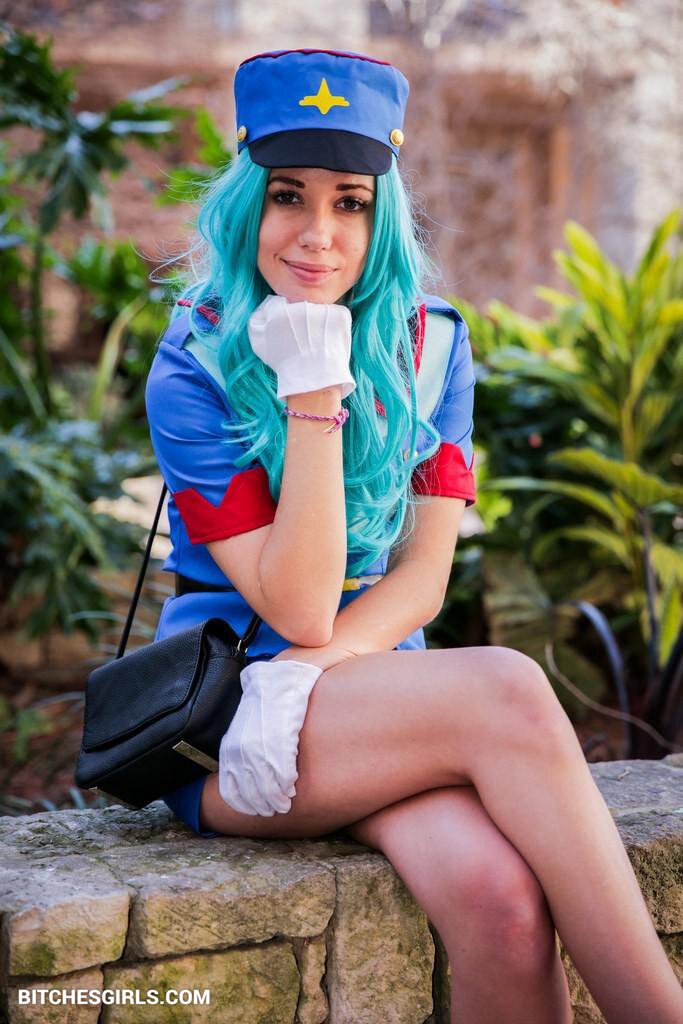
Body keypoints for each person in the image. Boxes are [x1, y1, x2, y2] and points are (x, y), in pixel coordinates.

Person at [145, 48, 683, 1024]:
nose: (318, 233)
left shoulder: (433, 342)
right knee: (509, 687)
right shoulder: (196, 359)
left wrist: (322, 672)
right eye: (286, 195)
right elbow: (299, 608)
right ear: (245, 204)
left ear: (380, 212)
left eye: (349, 202)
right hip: (232, 717)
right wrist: (313, 389)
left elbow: (424, 575)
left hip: (374, 701)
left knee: (500, 904)